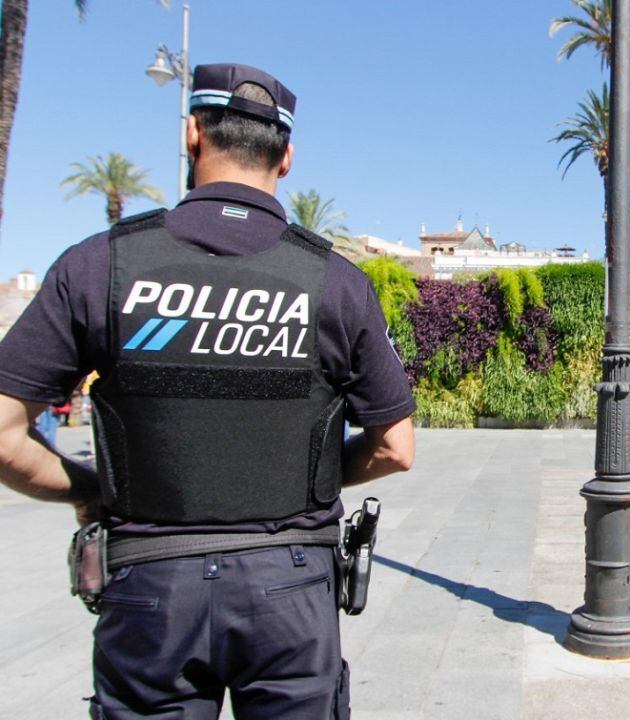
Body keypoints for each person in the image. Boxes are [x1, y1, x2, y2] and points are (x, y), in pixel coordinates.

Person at [0, 63, 416, 718]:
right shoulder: (335, 282)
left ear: (192, 135)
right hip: (291, 591)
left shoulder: (99, 265)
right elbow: (396, 447)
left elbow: (2, 435)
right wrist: (301, 479)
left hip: (149, 589)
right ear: (286, 158)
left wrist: (93, 490)